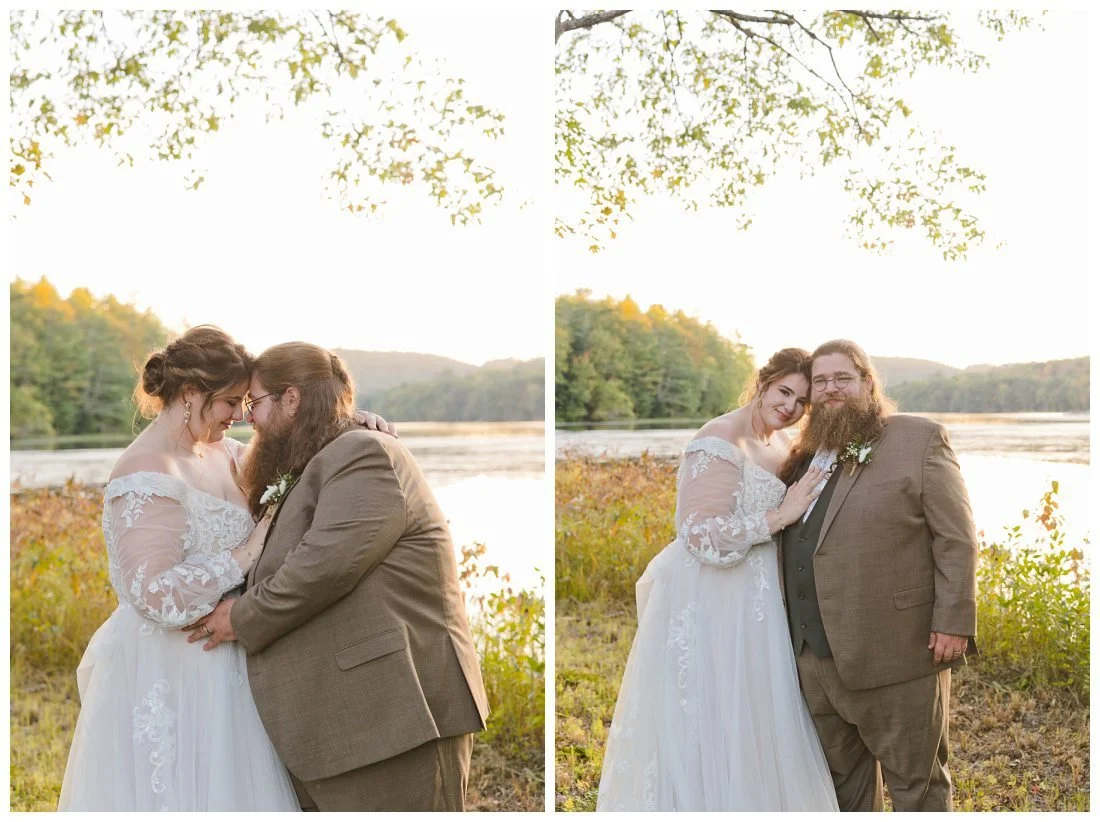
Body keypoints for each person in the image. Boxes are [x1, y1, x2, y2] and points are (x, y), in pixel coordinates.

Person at [58, 325, 393, 811]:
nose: (239, 417)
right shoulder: (145, 471)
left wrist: (344, 423)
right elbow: (152, 594)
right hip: (169, 670)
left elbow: (295, 461)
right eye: (229, 403)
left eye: (244, 403)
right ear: (192, 394)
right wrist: (244, 555)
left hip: (230, 660)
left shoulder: (228, 453)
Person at [186, 342, 489, 812]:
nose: (250, 419)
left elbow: (324, 567)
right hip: (344, 723)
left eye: (255, 403)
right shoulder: (315, 455)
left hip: (395, 716)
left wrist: (239, 618)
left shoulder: (364, 454)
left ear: (292, 399)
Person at [597, 348, 839, 811]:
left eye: (801, 401)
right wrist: (778, 516)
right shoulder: (718, 439)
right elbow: (697, 533)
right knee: (713, 707)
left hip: (759, 593)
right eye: (784, 391)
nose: (789, 406)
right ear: (764, 383)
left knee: (756, 708)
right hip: (714, 593)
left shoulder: (783, 444)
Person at [777, 339, 978, 812]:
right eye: (820, 382)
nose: (831, 390)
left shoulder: (918, 438)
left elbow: (956, 537)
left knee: (917, 785)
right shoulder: (805, 456)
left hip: (897, 652)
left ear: (868, 382)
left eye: (842, 379)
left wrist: (953, 620)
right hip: (812, 658)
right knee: (843, 785)